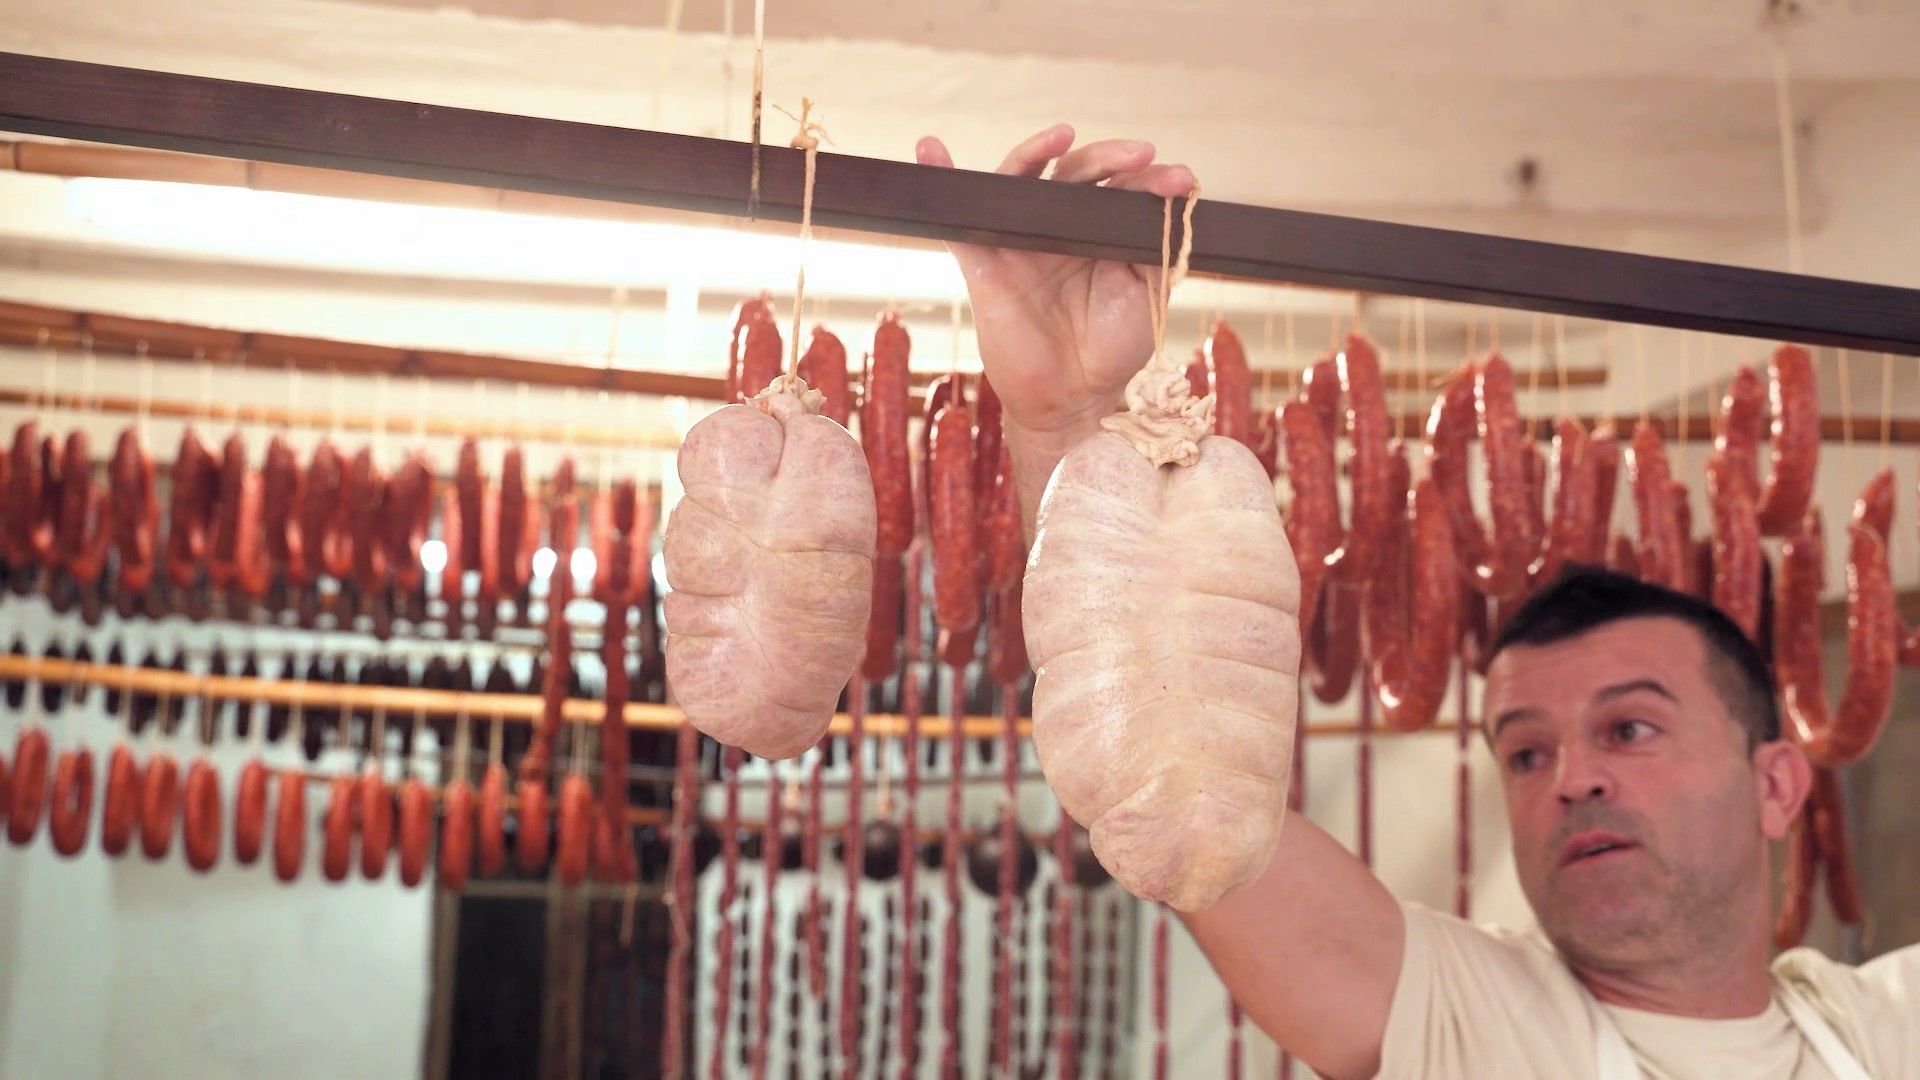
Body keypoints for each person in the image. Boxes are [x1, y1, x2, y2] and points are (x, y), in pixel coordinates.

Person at [917, 125, 1920, 1079]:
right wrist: (1071, 419)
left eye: (1630, 729)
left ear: (1780, 784)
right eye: (1525, 751)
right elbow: (1187, 811)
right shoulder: (1468, 1022)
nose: (1570, 779)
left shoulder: (1885, 1027)